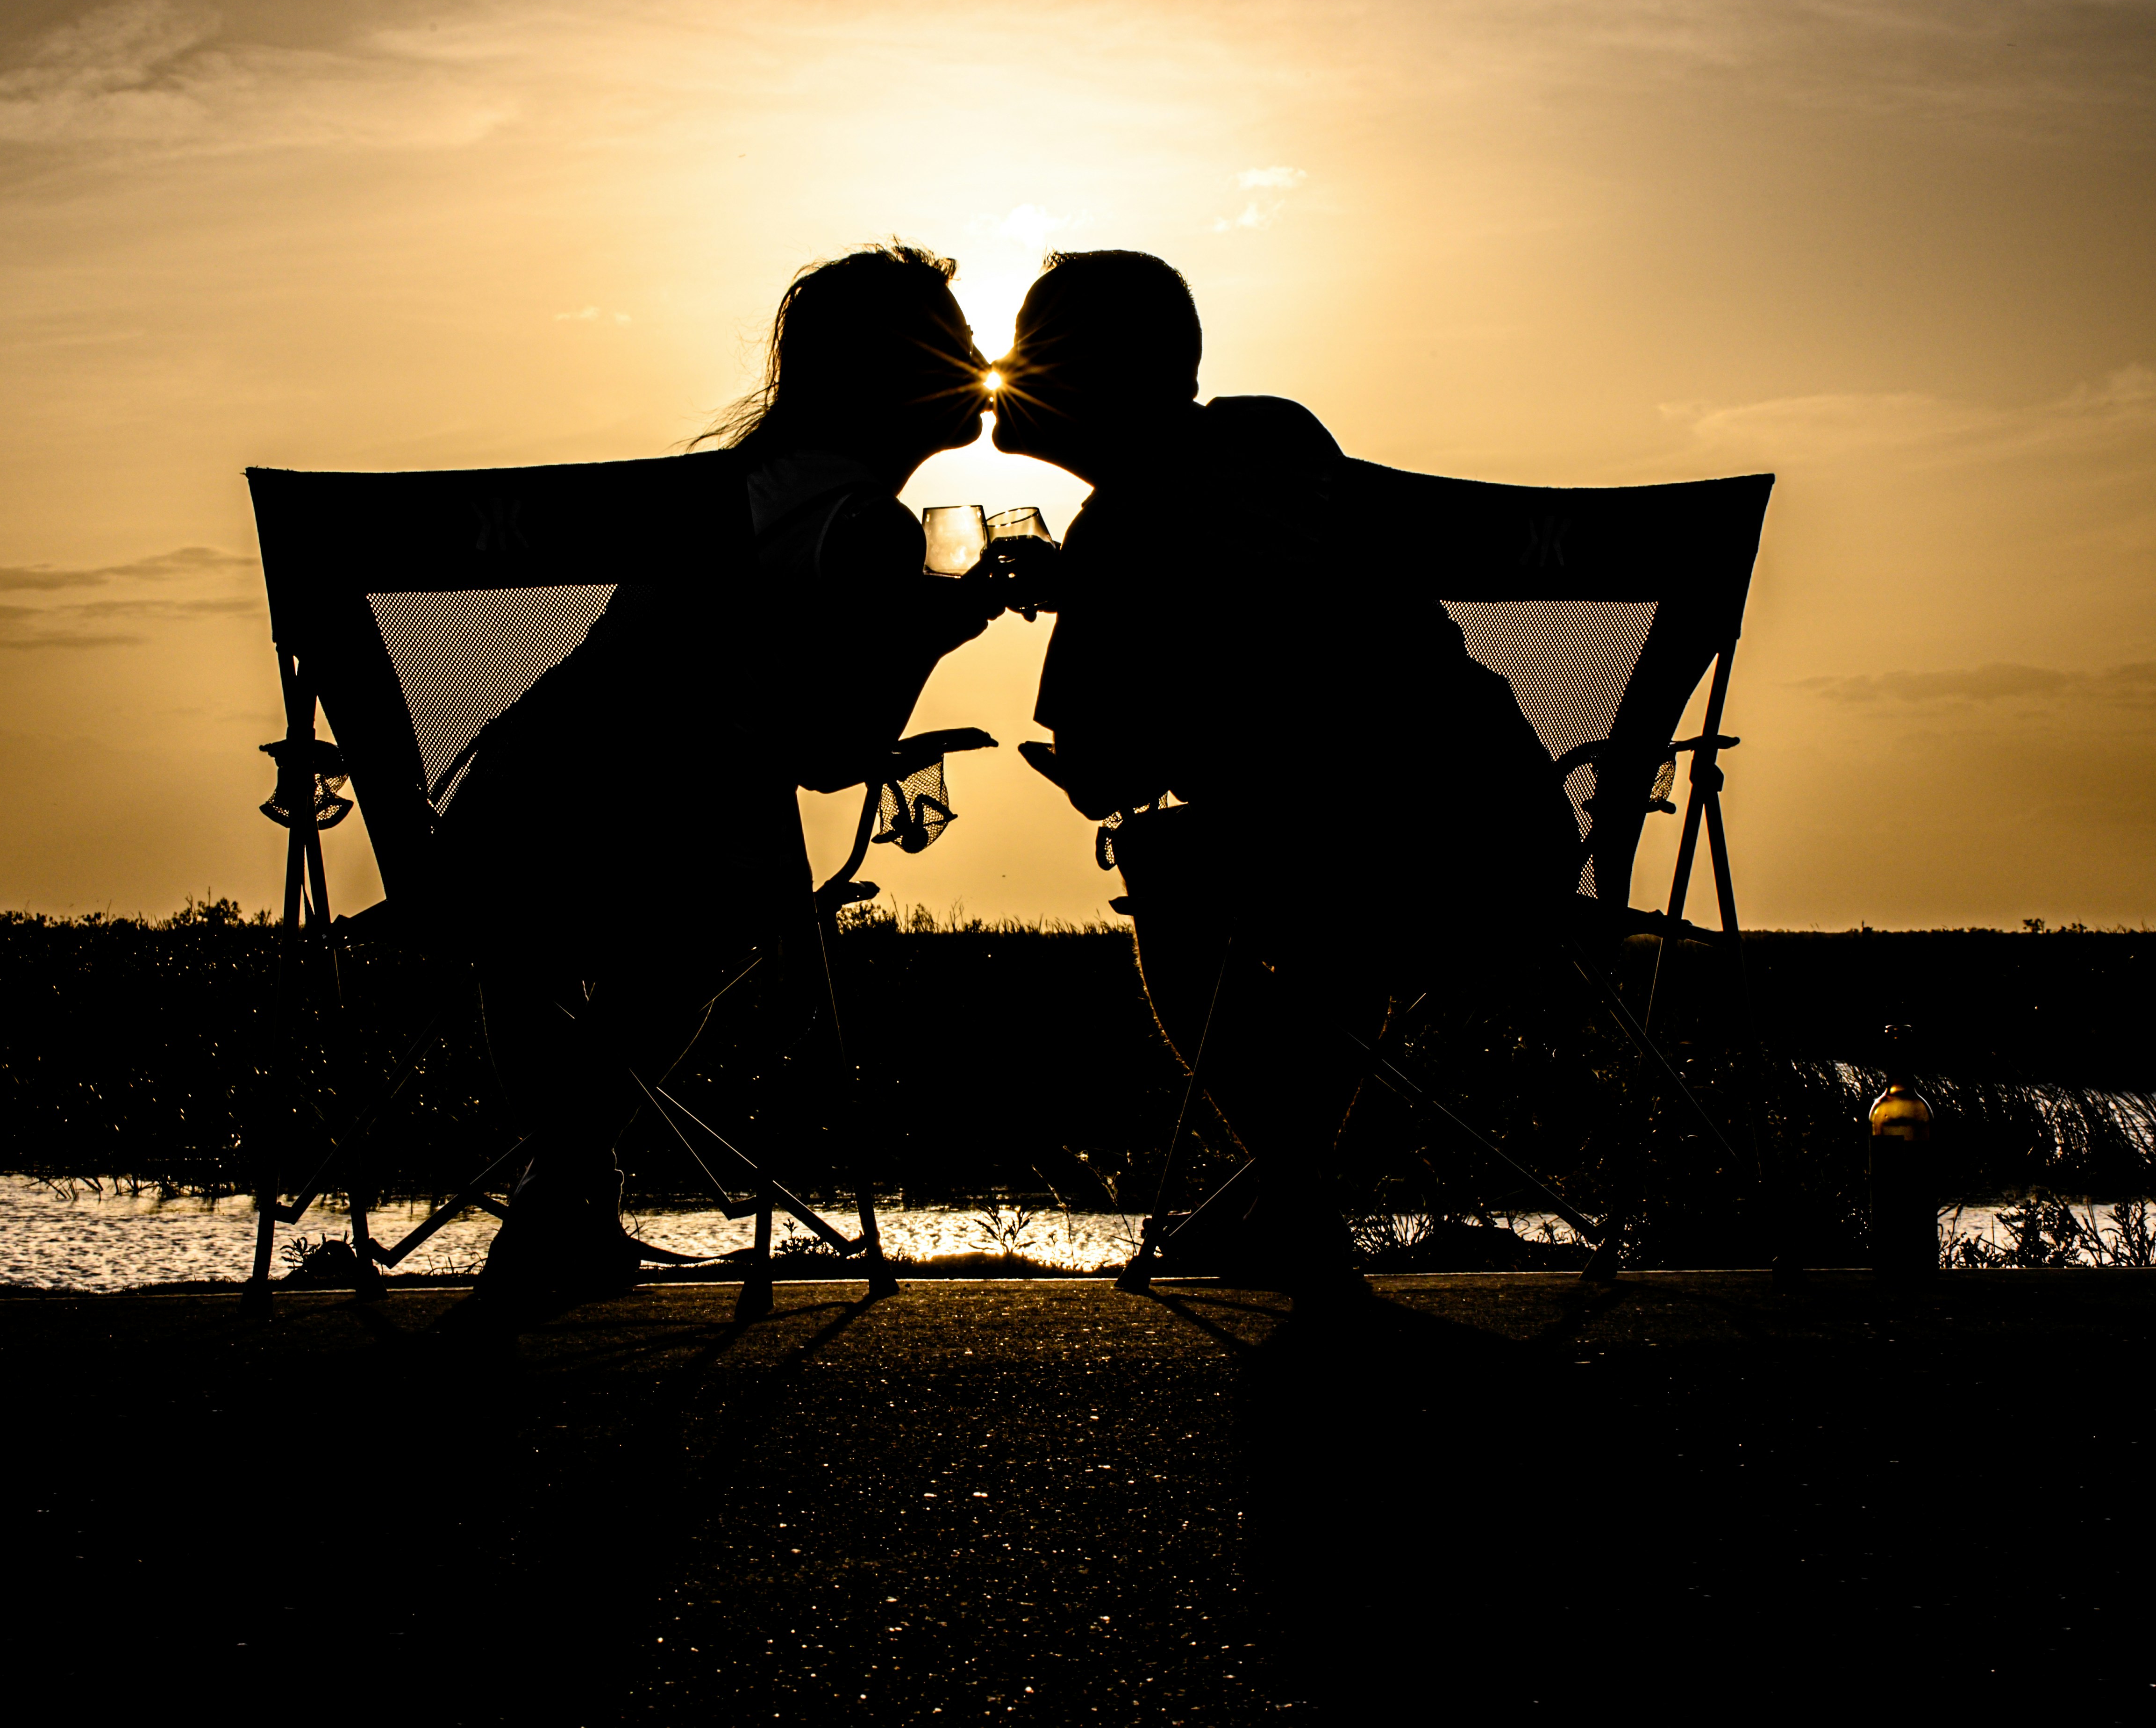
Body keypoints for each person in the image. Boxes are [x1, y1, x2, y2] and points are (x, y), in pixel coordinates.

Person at [986, 250, 1578, 1298]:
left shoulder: (1119, 534)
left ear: (1085, 375)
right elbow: (1259, 578)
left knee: (1169, 862)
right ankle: (1282, 1200)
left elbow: (1103, 772)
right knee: (1315, 877)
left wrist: (1090, 613)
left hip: (1360, 873)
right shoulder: (1278, 435)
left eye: (1028, 351)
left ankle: (1294, 1196)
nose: (1002, 369)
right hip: (1513, 844)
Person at [440, 242, 1011, 1303]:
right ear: (898, 371)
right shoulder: (864, 530)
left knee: (521, 952)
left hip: (497, 829)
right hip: (675, 856)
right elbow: (835, 755)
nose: (986, 359)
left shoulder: (715, 494)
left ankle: (566, 1192)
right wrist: (944, 628)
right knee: (692, 923)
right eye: (961, 341)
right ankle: (566, 1187)